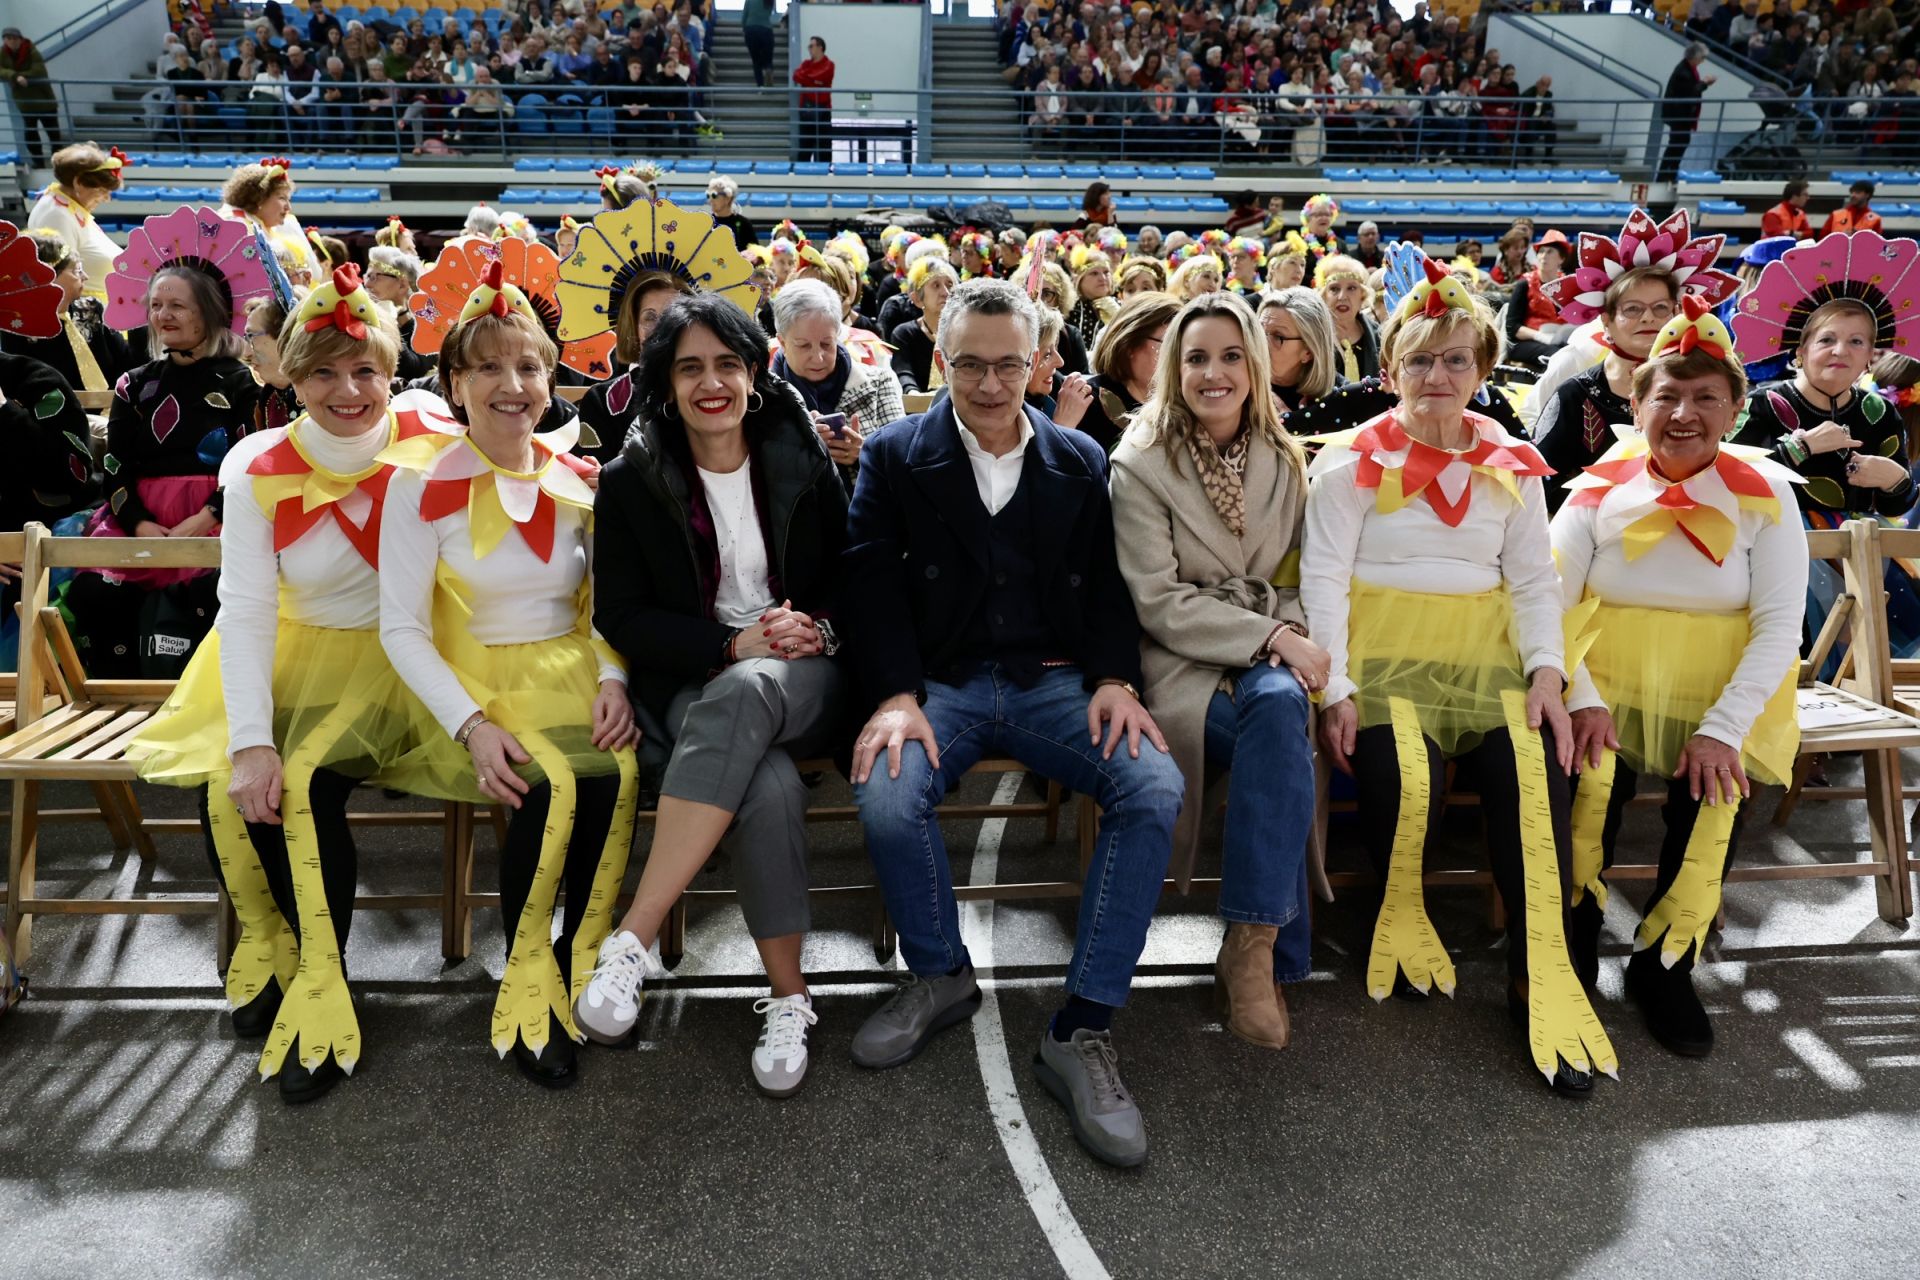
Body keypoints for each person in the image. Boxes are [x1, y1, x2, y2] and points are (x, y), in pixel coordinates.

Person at [841, 278, 1182, 1168]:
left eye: (1007, 365)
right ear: (939, 359)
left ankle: (1082, 1026)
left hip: (1053, 683)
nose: (990, 384)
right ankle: (940, 974)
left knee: (1152, 786)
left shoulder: (1080, 457)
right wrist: (895, 694)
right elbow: (869, 584)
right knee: (887, 795)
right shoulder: (893, 453)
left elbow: (1107, 587)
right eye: (969, 364)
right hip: (938, 686)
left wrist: (1115, 679)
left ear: (1038, 363)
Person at [1300, 257, 1614, 1097]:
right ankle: (1401, 916)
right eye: (1420, 360)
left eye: (1456, 360)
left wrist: (1547, 674)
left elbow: (1535, 581)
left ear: (1482, 371)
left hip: (1487, 655)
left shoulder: (1514, 463)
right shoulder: (1348, 461)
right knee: (1405, 779)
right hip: (1379, 653)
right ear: (1390, 369)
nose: (1437, 376)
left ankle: (1539, 974)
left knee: (1533, 777)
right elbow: (1322, 578)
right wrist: (1337, 689)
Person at [131, 267, 423, 1104]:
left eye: (365, 369)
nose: (348, 390)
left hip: (396, 662)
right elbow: (249, 610)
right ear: (291, 377)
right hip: (285, 652)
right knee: (229, 790)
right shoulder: (258, 465)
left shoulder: (430, 443)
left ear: (391, 373)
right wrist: (250, 740)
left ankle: (326, 980)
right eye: (324, 372)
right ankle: (277, 942)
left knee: (306, 787)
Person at [577, 292, 850, 1096]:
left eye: (728, 364)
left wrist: (820, 629)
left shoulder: (801, 457)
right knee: (766, 784)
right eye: (690, 367)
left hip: (804, 671)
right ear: (665, 382)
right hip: (693, 678)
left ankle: (633, 938)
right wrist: (727, 646)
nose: (712, 383)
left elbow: (855, 574)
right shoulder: (632, 480)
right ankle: (791, 998)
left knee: (753, 690)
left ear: (754, 372)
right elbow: (621, 614)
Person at [378, 262, 639, 1089]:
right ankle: (526, 981)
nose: (512, 385)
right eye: (488, 366)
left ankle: (580, 957)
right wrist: (472, 724)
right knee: (550, 783)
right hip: (466, 688)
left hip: (569, 672)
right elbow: (400, 628)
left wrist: (613, 680)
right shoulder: (419, 485)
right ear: (455, 383)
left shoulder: (576, 481)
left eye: (528, 365)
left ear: (549, 379)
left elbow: (598, 607)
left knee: (618, 771)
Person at [1552, 300, 1806, 1057]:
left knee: (1712, 803)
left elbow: (1779, 625)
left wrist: (1724, 729)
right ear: (1637, 405)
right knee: (1590, 788)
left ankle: (1666, 963)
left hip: (1721, 690)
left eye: (1706, 397)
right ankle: (1572, 935)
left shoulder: (1769, 493)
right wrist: (1582, 700)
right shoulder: (1595, 488)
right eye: (1666, 395)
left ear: (1736, 408)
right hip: (1601, 680)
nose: (1684, 413)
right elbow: (1549, 605)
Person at [1109, 293, 1320, 1051]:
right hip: (1181, 660)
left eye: (1232, 356)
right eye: (1196, 357)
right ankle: (1263, 952)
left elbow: (1301, 574)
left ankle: (1251, 943)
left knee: (1279, 709)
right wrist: (1272, 634)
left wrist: (1286, 631)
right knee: (1281, 731)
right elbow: (1158, 601)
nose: (1214, 372)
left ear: (1255, 367)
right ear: (1174, 367)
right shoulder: (1138, 461)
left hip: (1271, 647)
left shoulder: (1285, 457)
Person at [68, 221, 264, 677]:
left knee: (209, 594)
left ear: (209, 312)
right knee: (96, 591)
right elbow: (115, 464)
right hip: (139, 520)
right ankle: (114, 694)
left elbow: (251, 463)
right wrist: (138, 523)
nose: (163, 315)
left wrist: (207, 517)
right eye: (156, 305)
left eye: (177, 305)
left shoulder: (242, 382)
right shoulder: (133, 384)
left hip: (219, 517)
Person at [1535, 266, 1681, 510]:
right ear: (1606, 320)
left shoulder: (1696, 390)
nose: (1648, 317)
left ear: (1676, 314)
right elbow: (1542, 481)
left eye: (1660, 307)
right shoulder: (1573, 395)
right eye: (1632, 309)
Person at [770, 279, 903, 483]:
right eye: (804, 346)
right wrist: (800, 449)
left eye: (826, 344)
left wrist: (864, 454)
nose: (818, 358)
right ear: (782, 342)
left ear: (838, 335)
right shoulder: (764, 396)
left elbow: (903, 465)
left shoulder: (879, 382)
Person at [573, 268, 692, 466]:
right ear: (634, 327)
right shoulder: (603, 401)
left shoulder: (711, 390)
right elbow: (587, 475)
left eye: (673, 314)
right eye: (650, 318)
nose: (661, 327)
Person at [5, 229, 135, 394]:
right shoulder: (17, 327)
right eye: (77, 270)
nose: (85, 276)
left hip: (111, 405)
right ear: (47, 277)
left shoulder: (91, 310)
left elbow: (126, 361)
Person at [1073, 290, 1180, 453]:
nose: (1177, 355)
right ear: (1129, 344)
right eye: (1168, 344)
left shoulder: (1185, 400)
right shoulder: (1087, 400)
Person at [27, 143, 126, 299]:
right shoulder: (57, 215)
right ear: (78, 182)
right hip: (85, 310)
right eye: (102, 190)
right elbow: (62, 279)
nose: (106, 199)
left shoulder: (67, 206)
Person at [223, 157, 321, 287]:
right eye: (282, 198)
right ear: (259, 197)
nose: (288, 207)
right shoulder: (235, 223)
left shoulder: (266, 227)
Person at [1259, 286, 1341, 419]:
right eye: (1258, 330)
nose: (1261, 342)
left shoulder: (1337, 399)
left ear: (1309, 351)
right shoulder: (1239, 386)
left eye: (1278, 336)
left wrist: (1291, 423)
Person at [1504, 229, 1573, 370]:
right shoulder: (1524, 283)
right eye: (1541, 252)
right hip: (1524, 342)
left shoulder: (1568, 285)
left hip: (1557, 340)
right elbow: (1512, 328)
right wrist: (1540, 336)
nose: (1543, 256)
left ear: (1561, 259)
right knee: (1556, 355)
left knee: (1578, 352)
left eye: (1549, 252)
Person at [888, 257, 956, 397]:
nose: (946, 292)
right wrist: (914, 394)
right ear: (917, 299)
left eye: (949, 285)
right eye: (936, 285)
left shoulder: (965, 332)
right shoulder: (904, 333)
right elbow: (903, 372)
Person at [1314, 254, 1379, 381]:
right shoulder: (1312, 334)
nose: (1342, 297)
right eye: (1334, 289)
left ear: (1362, 295)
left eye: (1351, 288)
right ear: (1324, 295)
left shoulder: (1379, 335)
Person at [0, 27, 57, 167]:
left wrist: (21, 76)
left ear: (20, 39)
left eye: (14, 38)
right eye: (8, 39)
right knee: (31, 134)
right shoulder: (3, 53)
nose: (12, 42)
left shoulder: (31, 50)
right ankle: (38, 162)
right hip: (25, 101)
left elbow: (39, 70)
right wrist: (14, 76)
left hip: (44, 99)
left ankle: (58, 162)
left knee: (53, 133)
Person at [1658, 44, 1713, 184]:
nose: (1703, 61)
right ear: (1695, 57)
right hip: (1679, 115)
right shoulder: (1683, 72)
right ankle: (1666, 175)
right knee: (1676, 144)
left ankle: (1669, 173)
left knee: (1679, 144)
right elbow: (1691, 92)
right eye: (1702, 57)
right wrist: (1704, 83)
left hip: (1681, 114)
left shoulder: (1687, 69)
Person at [793, 36, 834, 164]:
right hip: (807, 110)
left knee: (824, 147)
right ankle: (802, 173)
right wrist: (814, 81)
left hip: (823, 111)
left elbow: (820, 76)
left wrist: (807, 79)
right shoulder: (806, 64)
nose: (809, 49)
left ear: (820, 47)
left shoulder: (829, 65)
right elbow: (796, 76)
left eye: (811, 46)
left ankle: (825, 172)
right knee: (805, 147)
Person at [706, 176, 757, 251]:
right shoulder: (706, 223)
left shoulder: (744, 224)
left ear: (728, 198)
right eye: (708, 195)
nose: (710, 200)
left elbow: (755, 253)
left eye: (714, 195)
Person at [742, 0, 779, 88]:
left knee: (756, 60)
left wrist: (745, 29)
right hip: (766, 30)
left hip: (751, 30)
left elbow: (744, 17)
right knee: (768, 58)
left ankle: (760, 85)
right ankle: (768, 69)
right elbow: (769, 13)